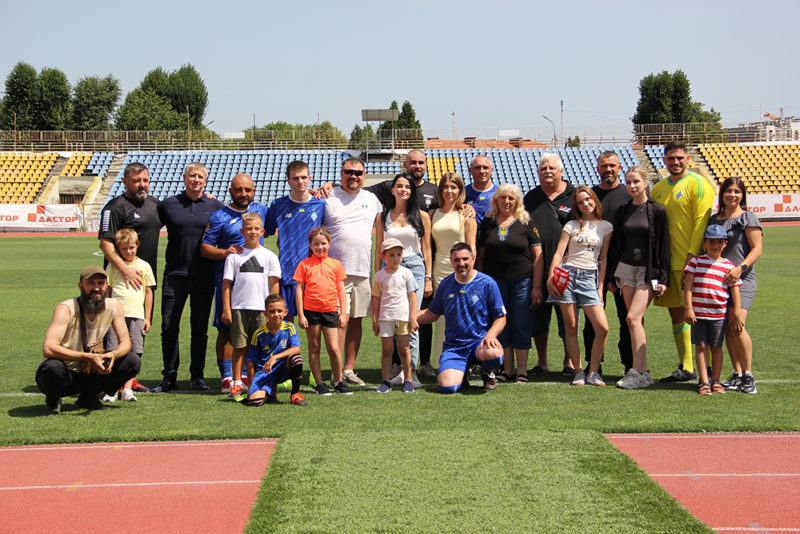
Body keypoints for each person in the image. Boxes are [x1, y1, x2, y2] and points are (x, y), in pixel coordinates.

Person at [155, 162, 224, 393]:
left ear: (206, 180)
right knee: (169, 327)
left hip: (204, 276)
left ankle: (197, 376)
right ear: (185, 178)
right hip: (174, 275)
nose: (196, 180)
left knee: (199, 330)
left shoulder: (215, 206)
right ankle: (169, 376)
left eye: (200, 177)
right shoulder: (168, 204)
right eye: (192, 176)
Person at [37, 266, 140, 415]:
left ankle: (89, 397)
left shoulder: (114, 306)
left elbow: (125, 342)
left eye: (100, 283)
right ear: (81, 286)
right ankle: (53, 401)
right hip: (66, 373)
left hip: (92, 371)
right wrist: (87, 357)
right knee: (52, 368)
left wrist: (113, 355)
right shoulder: (66, 309)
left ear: (107, 286)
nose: (96, 288)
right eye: (90, 283)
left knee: (132, 360)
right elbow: (49, 348)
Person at [201, 173, 269, 392]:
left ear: (253, 191)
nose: (243, 194)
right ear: (231, 191)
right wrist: (225, 252)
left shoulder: (262, 211)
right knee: (226, 329)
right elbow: (205, 248)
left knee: (253, 332)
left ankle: (246, 374)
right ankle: (227, 376)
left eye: (247, 190)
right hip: (228, 284)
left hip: (255, 286)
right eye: (238, 189)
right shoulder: (219, 216)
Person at [98, 161, 161, 393]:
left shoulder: (154, 205)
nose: (142, 184)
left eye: (145, 180)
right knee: (113, 334)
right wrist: (124, 270)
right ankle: (110, 380)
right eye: (136, 181)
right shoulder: (114, 207)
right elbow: (105, 243)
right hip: (120, 281)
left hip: (143, 281)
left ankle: (129, 379)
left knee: (137, 332)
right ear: (125, 182)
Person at [607, 167, 670, 389]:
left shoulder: (657, 211)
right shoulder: (623, 210)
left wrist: (663, 278)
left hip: (647, 271)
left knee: (632, 318)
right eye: (628, 182)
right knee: (636, 321)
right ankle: (642, 372)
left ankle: (639, 372)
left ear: (645, 183)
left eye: (636, 182)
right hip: (625, 270)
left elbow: (664, 246)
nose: (632, 186)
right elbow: (617, 244)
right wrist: (612, 274)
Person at [322, 157, 382, 387]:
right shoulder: (328, 197)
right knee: (340, 321)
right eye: (349, 172)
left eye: (358, 173)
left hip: (362, 270)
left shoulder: (372, 199)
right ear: (341, 174)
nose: (353, 176)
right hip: (335, 272)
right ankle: (336, 372)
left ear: (364, 175)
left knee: (356, 320)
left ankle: (348, 369)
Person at [417, 243, 506, 393]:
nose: (461, 263)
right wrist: (405, 317)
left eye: (465, 259)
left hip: (480, 343)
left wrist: (491, 335)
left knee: (494, 354)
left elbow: (501, 318)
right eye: (457, 260)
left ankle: (486, 372)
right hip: (455, 347)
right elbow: (431, 314)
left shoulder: (487, 283)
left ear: (473, 259)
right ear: (451, 261)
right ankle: (463, 372)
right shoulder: (446, 284)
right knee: (447, 387)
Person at [546, 186, 612, 386]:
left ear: (594, 200)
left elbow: (603, 259)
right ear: (576, 206)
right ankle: (579, 371)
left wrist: (600, 287)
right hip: (567, 275)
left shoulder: (606, 226)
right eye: (581, 202)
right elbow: (559, 253)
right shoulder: (571, 225)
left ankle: (594, 372)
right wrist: (551, 277)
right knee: (571, 327)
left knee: (602, 328)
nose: (585, 204)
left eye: (588, 199)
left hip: (589, 277)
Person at [476, 183, 541, 384]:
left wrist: (536, 286)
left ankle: (522, 370)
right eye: (503, 197)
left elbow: (538, 256)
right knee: (500, 323)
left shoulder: (526, 221)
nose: (506, 201)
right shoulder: (487, 223)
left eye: (511, 198)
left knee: (521, 323)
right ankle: (507, 369)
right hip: (494, 284)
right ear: (496, 200)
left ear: (517, 201)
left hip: (522, 282)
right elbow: (481, 256)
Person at [374, 174, 432, 387]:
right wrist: (377, 276)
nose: (403, 190)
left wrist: (428, 277)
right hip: (389, 269)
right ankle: (399, 368)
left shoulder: (421, 216)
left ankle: (411, 372)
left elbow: (426, 249)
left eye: (407, 187)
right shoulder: (382, 216)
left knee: (410, 318)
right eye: (399, 186)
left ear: (411, 191)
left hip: (414, 266)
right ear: (393, 190)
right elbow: (379, 248)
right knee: (391, 316)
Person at [707, 177, 762, 394]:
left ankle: (748, 376)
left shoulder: (748, 217)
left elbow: (757, 248)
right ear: (722, 194)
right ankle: (737, 373)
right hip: (720, 282)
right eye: (728, 191)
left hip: (742, 279)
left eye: (737, 192)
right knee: (727, 329)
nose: (732, 195)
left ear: (742, 195)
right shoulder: (714, 219)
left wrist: (740, 268)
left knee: (737, 324)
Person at [523, 153, 576, 376]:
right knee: (539, 319)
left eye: (552, 168)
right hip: (536, 269)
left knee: (568, 320)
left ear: (561, 171)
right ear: (538, 172)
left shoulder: (574, 195)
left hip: (566, 270)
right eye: (543, 168)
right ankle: (542, 361)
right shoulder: (531, 197)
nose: (547, 171)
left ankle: (569, 362)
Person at [583, 151, 635, 374]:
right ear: (598, 169)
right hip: (593, 269)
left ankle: (630, 365)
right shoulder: (590, 196)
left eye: (612, 165)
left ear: (619, 168)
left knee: (628, 319)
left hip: (624, 268)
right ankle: (594, 364)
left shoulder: (629, 195)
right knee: (592, 322)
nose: (608, 170)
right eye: (604, 166)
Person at [221, 212, 281, 400]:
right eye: (249, 229)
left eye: (256, 229)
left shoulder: (269, 256)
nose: (253, 232)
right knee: (239, 346)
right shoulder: (234, 256)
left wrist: (272, 309)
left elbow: (274, 284)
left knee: (262, 348)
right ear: (242, 231)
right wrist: (226, 309)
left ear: (262, 231)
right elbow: (226, 284)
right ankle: (237, 382)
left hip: (261, 310)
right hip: (239, 307)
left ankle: (260, 383)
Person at [423, 173, 477, 376]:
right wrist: (429, 276)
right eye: (445, 187)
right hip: (439, 270)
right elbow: (428, 247)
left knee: (462, 316)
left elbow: (472, 248)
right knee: (441, 319)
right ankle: (442, 363)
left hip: (461, 271)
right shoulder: (432, 214)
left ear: (460, 190)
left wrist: (469, 273)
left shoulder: (467, 215)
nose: (449, 191)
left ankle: (466, 361)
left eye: (454, 187)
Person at [683, 225, 743, 395]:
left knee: (716, 347)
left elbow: (735, 291)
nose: (715, 245)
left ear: (725, 243)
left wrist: (737, 313)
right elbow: (688, 287)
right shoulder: (696, 262)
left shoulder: (729, 266)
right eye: (711, 241)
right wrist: (688, 308)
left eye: (719, 242)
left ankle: (715, 380)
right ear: (705, 243)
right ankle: (704, 381)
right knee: (701, 347)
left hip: (718, 315)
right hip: (699, 314)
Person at [265, 160, 326, 322]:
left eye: (303, 177)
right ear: (289, 181)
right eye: (295, 178)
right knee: (286, 323)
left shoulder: (320, 204)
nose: (300, 181)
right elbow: (266, 231)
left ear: (309, 178)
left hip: (313, 273)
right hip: (287, 271)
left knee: (313, 325)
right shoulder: (278, 205)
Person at [293, 227, 351, 396]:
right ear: (310, 245)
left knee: (334, 347)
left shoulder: (335, 264)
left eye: (323, 243)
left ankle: (338, 381)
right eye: (316, 244)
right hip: (311, 311)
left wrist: (343, 313)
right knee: (314, 347)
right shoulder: (304, 265)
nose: (320, 247)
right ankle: (319, 383)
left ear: (329, 244)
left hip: (330, 310)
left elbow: (341, 290)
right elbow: (299, 290)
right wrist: (301, 315)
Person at [103, 228, 155, 402]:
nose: (128, 251)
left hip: (136, 315)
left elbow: (149, 292)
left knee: (135, 352)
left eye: (131, 247)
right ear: (118, 249)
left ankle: (127, 389)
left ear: (137, 245)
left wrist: (147, 317)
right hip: (114, 316)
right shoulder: (113, 266)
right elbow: (108, 290)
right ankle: (111, 389)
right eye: (124, 248)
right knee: (113, 350)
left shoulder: (144, 266)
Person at [372, 238, 419, 394]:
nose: (395, 258)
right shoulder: (379, 276)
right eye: (391, 255)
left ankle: (408, 379)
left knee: (404, 349)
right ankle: (386, 380)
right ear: (383, 256)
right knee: (387, 350)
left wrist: (413, 318)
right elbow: (376, 298)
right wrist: (375, 320)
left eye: (398, 254)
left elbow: (412, 296)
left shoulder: (407, 273)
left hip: (403, 317)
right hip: (386, 317)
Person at [244, 294, 307, 407]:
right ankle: (270, 392)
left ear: (285, 312)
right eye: (272, 311)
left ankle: (295, 394)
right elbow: (250, 362)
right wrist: (251, 386)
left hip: (283, 369)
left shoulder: (290, 328)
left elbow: (297, 348)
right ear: (265, 313)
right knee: (255, 402)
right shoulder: (258, 334)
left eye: (279, 311)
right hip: (265, 372)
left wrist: (275, 357)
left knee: (296, 358)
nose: (276, 314)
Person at [465, 154, 498, 226]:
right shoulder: (463, 193)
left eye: (485, 168)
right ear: (470, 170)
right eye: (477, 168)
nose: (482, 171)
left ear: (491, 170)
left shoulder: (500, 193)